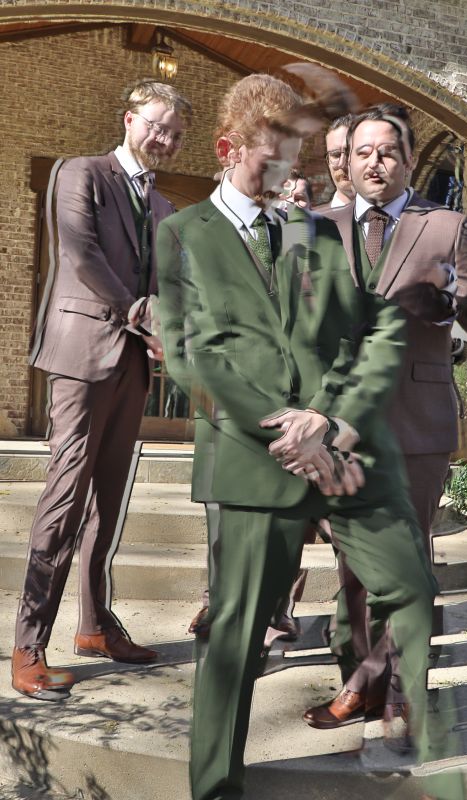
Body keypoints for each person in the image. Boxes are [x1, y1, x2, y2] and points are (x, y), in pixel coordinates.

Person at [157, 74, 464, 800]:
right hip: (251, 459)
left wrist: (327, 419)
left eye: (296, 156)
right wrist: (286, 432)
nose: (290, 172)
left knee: (411, 584)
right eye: (275, 156)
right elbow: (192, 357)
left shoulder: (304, 230)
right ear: (229, 149)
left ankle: (401, 719)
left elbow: (368, 324)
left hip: (337, 453)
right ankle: (215, 787)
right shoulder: (182, 235)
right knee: (235, 635)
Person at [304, 103, 467, 733]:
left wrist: (456, 302)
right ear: (347, 161)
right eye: (361, 152)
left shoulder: (444, 225)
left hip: (416, 419)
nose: (374, 163)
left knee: (409, 561)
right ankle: (363, 683)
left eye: (387, 151)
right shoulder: (315, 227)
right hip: (340, 423)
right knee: (355, 564)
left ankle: (399, 690)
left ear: (409, 160)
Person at [12, 80, 189, 702]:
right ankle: (29, 645)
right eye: (156, 125)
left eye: (174, 134)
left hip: (132, 366)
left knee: (108, 500)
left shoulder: (164, 208)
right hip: (81, 356)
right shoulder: (80, 174)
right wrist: (143, 313)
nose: (164, 139)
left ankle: (93, 624)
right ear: (129, 118)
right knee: (65, 497)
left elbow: (168, 282)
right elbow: (82, 255)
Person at [314, 114, 355, 210]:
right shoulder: (313, 219)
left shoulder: (386, 216)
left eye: (349, 153)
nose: (342, 164)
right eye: (336, 155)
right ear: (328, 161)